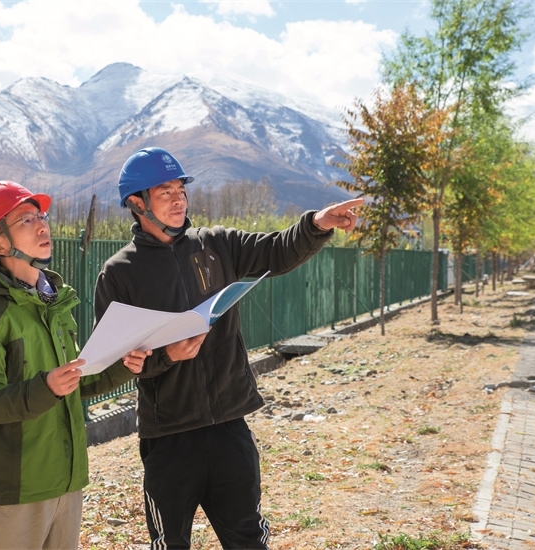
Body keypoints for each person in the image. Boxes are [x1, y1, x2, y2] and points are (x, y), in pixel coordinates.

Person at [94, 148, 363, 549]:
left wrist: (316, 224)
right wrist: (167, 356)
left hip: (229, 428)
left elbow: (276, 250)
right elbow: (115, 360)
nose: (178, 199)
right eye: (165, 192)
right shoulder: (119, 273)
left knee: (248, 540)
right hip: (168, 438)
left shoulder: (217, 244)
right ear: (137, 203)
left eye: (181, 189)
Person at [0, 180, 150, 550]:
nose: (43, 225)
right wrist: (45, 387)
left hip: (66, 481)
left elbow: (74, 383)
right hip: (15, 490)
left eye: (41, 216)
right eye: (26, 220)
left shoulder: (53, 304)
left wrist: (125, 365)